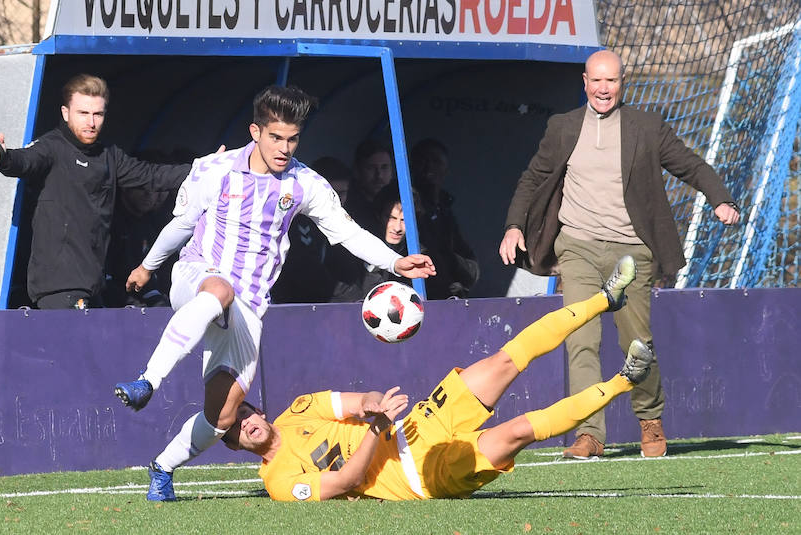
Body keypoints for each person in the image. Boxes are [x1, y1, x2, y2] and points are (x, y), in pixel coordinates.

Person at [111, 85, 436, 501]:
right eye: (275, 137)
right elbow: (181, 223)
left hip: (248, 308)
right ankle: (147, 382)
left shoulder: (304, 183)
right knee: (219, 289)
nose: (284, 147)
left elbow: (347, 232)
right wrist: (147, 266)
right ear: (255, 132)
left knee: (223, 415)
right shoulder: (217, 169)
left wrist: (394, 262)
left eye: (292, 138)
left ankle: (162, 468)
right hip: (196, 275)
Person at [216, 256, 649, 502]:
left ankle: (603, 298)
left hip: (423, 420)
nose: (246, 424)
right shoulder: (278, 484)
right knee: (517, 431)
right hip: (423, 474)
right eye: (236, 430)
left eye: (242, 413)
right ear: (237, 445)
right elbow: (346, 482)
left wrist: (373, 405)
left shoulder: (298, 410)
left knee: (505, 359)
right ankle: (624, 381)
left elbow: (357, 400)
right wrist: (376, 428)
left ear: (255, 407)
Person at [498, 50, 740, 459]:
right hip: (576, 247)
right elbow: (532, 178)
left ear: (622, 82)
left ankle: (649, 418)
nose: (603, 89)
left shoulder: (647, 127)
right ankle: (590, 433)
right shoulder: (562, 127)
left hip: (631, 251)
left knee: (636, 342)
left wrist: (719, 199)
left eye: (611, 81)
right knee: (580, 339)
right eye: (596, 81)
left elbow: (691, 165)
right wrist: (514, 226)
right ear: (584, 81)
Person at [0, 74, 193, 309]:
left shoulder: (109, 156)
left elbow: (151, 175)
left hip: (93, 285)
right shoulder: (52, 147)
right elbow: (26, 160)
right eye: (83, 113)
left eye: (98, 114)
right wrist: (4, 159)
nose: (91, 123)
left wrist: (203, 168)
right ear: (65, 113)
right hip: (59, 286)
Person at [269, 156, 352, 304]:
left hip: (320, 305)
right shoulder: (297, 219)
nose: (337, 200)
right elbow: (306, 269)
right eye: (333, 194)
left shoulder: (340, 221)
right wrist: (349, 295)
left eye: (342, 193)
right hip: (289, 308)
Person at [409, 138, 480, 299]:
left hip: (447, 293)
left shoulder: (443, 207)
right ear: (412, 166)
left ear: (446, 169)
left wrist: (453, 264)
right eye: (423, 161)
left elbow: (470, 265)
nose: (429, 168)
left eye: (436, 161)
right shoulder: (406, 203)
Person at [330, 183, 414, 302]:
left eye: (404, 220)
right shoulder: (359, 245)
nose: (397, 228)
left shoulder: (416, 250)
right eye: (391, 218)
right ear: (378, 216)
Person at [344, 139, 395, 235]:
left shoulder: (403, 201)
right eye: (371, 168)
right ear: (357, 171)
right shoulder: (347, 206)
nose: (379, 175)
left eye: (384, 167)